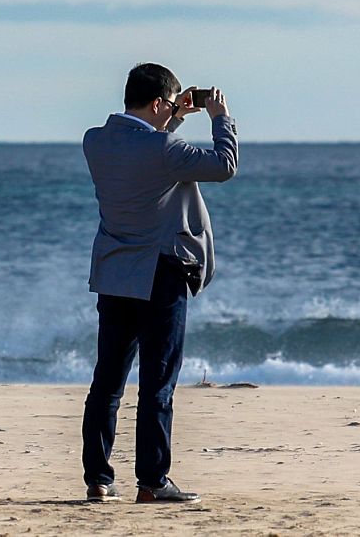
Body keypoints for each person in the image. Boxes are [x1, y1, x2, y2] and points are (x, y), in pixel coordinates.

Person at [80, 63, 237, 504]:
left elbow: (145, 148)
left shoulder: (95, 141)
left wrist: (173, 116)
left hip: (114, 272)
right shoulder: (167, 148)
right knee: (158, 383)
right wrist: (220, 118)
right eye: (168, 104)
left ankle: (98, 479)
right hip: (161, 273)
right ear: (156, 103)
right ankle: (151, 481)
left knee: (107, 382)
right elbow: (224, 166)